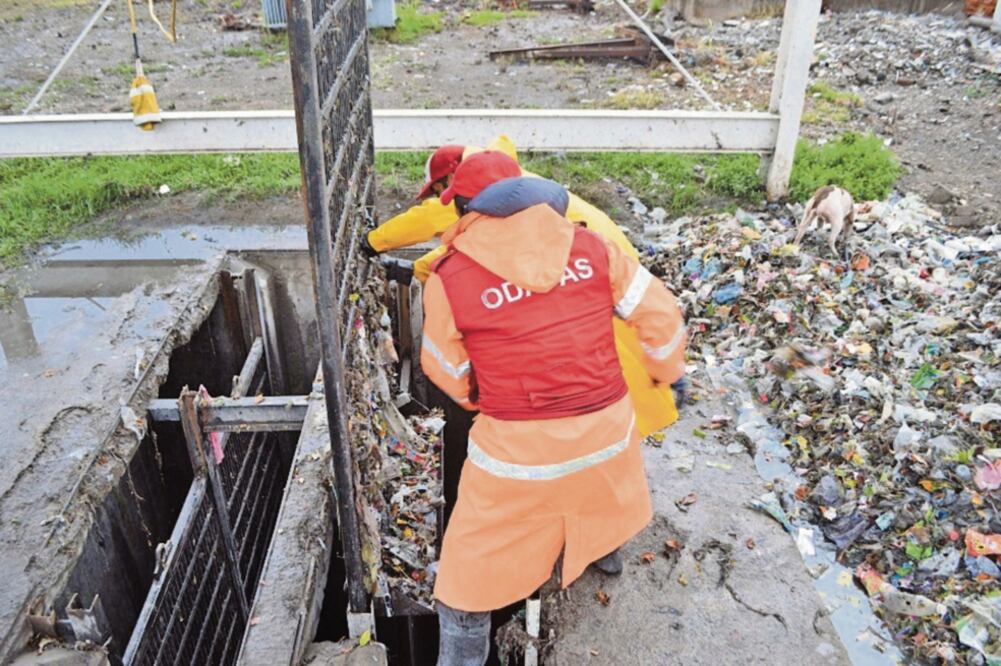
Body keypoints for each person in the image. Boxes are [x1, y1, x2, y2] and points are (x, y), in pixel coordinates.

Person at [420, 152, 687, 665]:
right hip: (606, 436)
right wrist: (667, 370)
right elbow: (661, 313)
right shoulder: (592, 247)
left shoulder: (448, 277)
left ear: (466, 210)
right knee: (598, 492)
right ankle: (604, 552)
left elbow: (444, 367)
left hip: (516, 458)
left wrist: (481, 398)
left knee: (463, 588)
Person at [368, 136, 682, 436]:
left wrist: (374, 243)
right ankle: (643, 399)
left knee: (599, 347)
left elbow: (436, 230)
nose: (440, 200)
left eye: (439, 191)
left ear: (451, 180)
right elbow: (475, 245)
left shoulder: (473, 188)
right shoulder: (512, 185)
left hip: (580, 264)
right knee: (606, 344)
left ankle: (639, 400)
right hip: (597, 254)